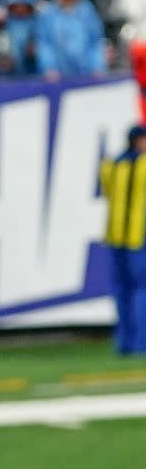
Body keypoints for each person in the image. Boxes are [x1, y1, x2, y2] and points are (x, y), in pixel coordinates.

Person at [100, 125, 146, 355]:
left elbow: (107, 191)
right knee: (140, 290)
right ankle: (139, 343)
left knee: (123, 291)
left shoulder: (112, 164)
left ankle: (125, 343)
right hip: (139, 238)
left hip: (116, 236)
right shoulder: (142, 165)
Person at [35, 0, 106, 81]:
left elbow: (96, 41)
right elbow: (45, 44)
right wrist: (49, 68)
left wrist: (98, 66)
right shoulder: (48, 14)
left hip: (87, 73)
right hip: (59, 75)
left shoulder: (87, 10)